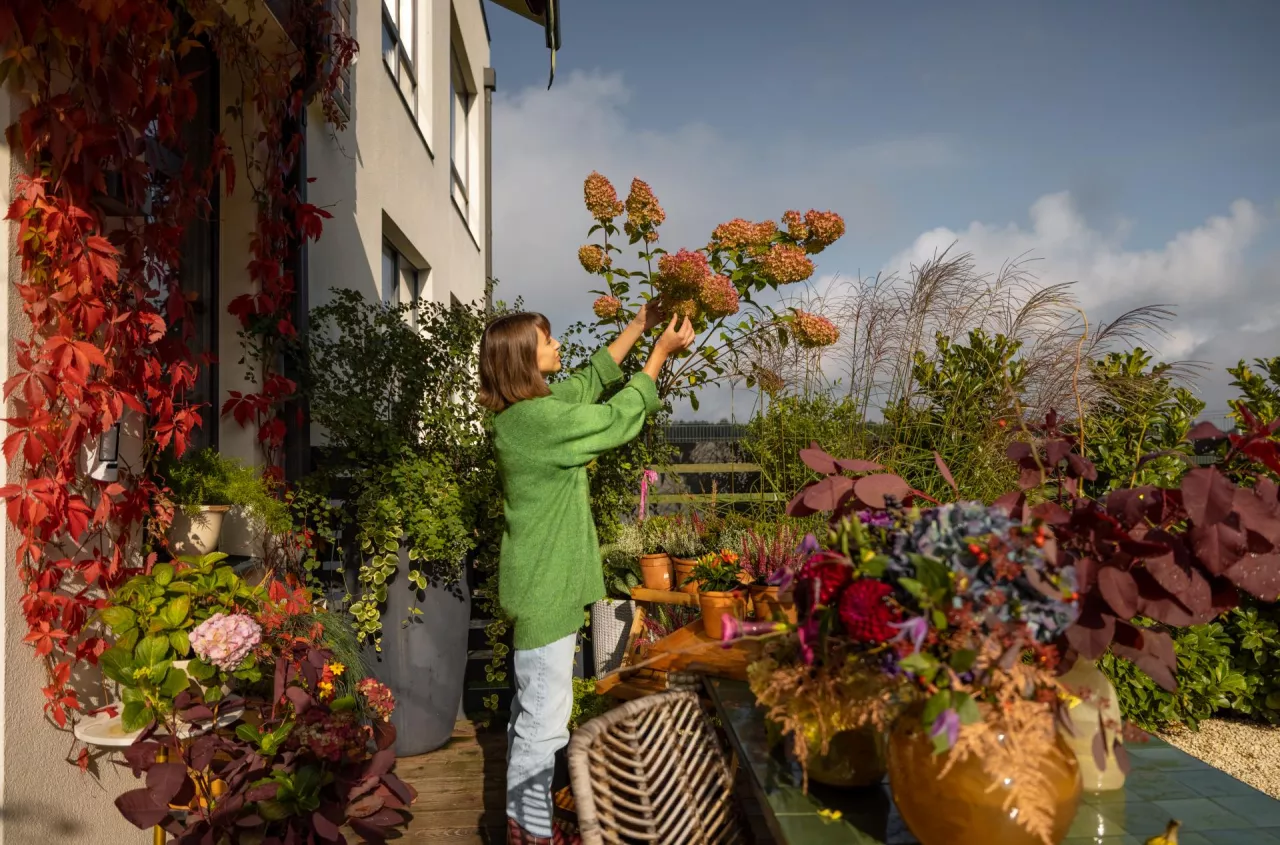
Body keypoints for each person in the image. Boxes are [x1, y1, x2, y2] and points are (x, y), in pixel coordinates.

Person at [478, 303, 695, 845]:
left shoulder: (529, 413)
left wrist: (640, 327)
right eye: (546, 340)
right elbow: (616, 417)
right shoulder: (536, 422)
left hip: (541, 585)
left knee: (532, 710)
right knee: (542, 722)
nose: (557, 347)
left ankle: (524, 821)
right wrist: (659, 357)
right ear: (525, 358)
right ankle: (528, 834)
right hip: (545, 589)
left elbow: (589, 380)